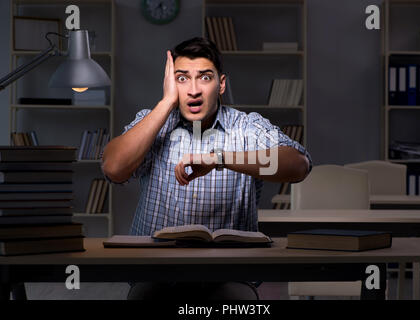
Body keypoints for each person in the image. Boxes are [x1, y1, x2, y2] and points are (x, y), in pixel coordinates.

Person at [101, 37, 312, 300]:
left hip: (229, 275)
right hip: (155, 272)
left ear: (221, 84)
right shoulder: (152, 122)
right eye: (182, 78)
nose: (193, 90)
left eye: (204, 77)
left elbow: (299, 166)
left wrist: (219, 159)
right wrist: (166, 102)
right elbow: (113, 168)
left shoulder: (247, 127)